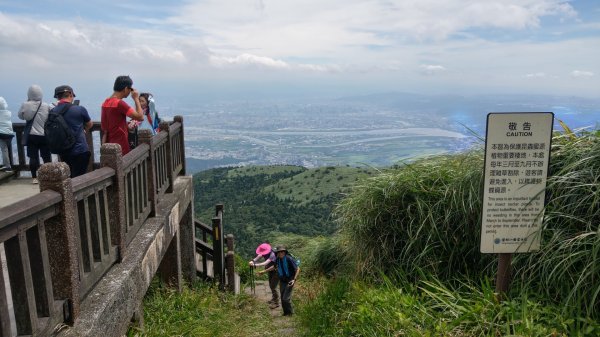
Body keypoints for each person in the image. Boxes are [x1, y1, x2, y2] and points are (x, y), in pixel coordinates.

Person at [52, 85, 93, 178]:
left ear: (57, 97)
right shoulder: (79, 109)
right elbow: (90, 124)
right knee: (79, 179)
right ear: (70, 94)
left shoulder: (53, 112)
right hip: (79, 150)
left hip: (63, 151)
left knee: (68, 178)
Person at [101, 75, 144, 155]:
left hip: (108, 146)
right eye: (130, 89)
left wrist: (125, 125)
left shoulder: (105, 103)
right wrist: (136, 99)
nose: (130, 92)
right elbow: (140, 117)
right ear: (125, 89)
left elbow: (105, 127)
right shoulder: (119, 103)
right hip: (120, 146)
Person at [18, 85, 52, 183]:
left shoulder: (25, 104)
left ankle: (34, 178)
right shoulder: (46, 105)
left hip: (31, 135)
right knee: (46, 156)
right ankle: (49, 176)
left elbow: (20, 116)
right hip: (44, 135)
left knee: (33, 157)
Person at [249, 243, 279, 308]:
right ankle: (274, 299)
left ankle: (276, 302)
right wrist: (253, 261)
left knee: (273, 286)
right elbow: (259, 256)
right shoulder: (265, 252)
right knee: (271, 285)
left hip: (276, 271)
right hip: (270, 270)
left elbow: (266, 263)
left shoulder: (272, 255)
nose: (262, 253)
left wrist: (255, 265)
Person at [273, 245, 300, 316]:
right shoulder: (277, 260)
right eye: (279, 252)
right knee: (282, 297)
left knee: (286, 298)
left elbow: (297, 269)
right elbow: (274, 267)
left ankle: (291, 313)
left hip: (290, 280)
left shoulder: (289, 259)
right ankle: (285, 313)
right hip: (282, 280)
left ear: (285, 252)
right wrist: (263, 271)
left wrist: (294, 280)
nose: (281, 253)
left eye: (282, 252)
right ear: (277, 253)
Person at [0, 97, 14, 173]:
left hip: (2, 134)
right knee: (7, 149)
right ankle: (8, 165)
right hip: (10, 134)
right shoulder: (8, 113)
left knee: (4, 150)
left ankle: (8, 167)